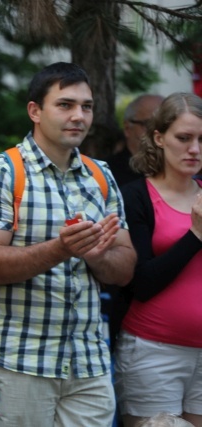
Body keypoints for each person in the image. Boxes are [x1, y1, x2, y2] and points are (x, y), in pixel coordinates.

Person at [0, 62, 136, 426]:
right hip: (18, 364)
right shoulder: (1, 171)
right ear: (35, 111)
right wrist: (61, 249)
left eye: (86, 107)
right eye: (65, 105)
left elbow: (124, 269)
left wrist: (96, 255)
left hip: (88, 364)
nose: (78, 116)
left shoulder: (101, 176)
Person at [115, 93, 202, 427]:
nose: (194, 148)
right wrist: (195, 235)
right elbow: (140, 282)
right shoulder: (137, 195)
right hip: (153, 351)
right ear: (158, 138)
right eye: (184, 138)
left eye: (201, 139)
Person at [107, 94, 164, 187]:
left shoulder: (178, 171)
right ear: (127, 128)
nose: (157, 133)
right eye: (149, 124)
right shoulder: (108, 173)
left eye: (164, 126)